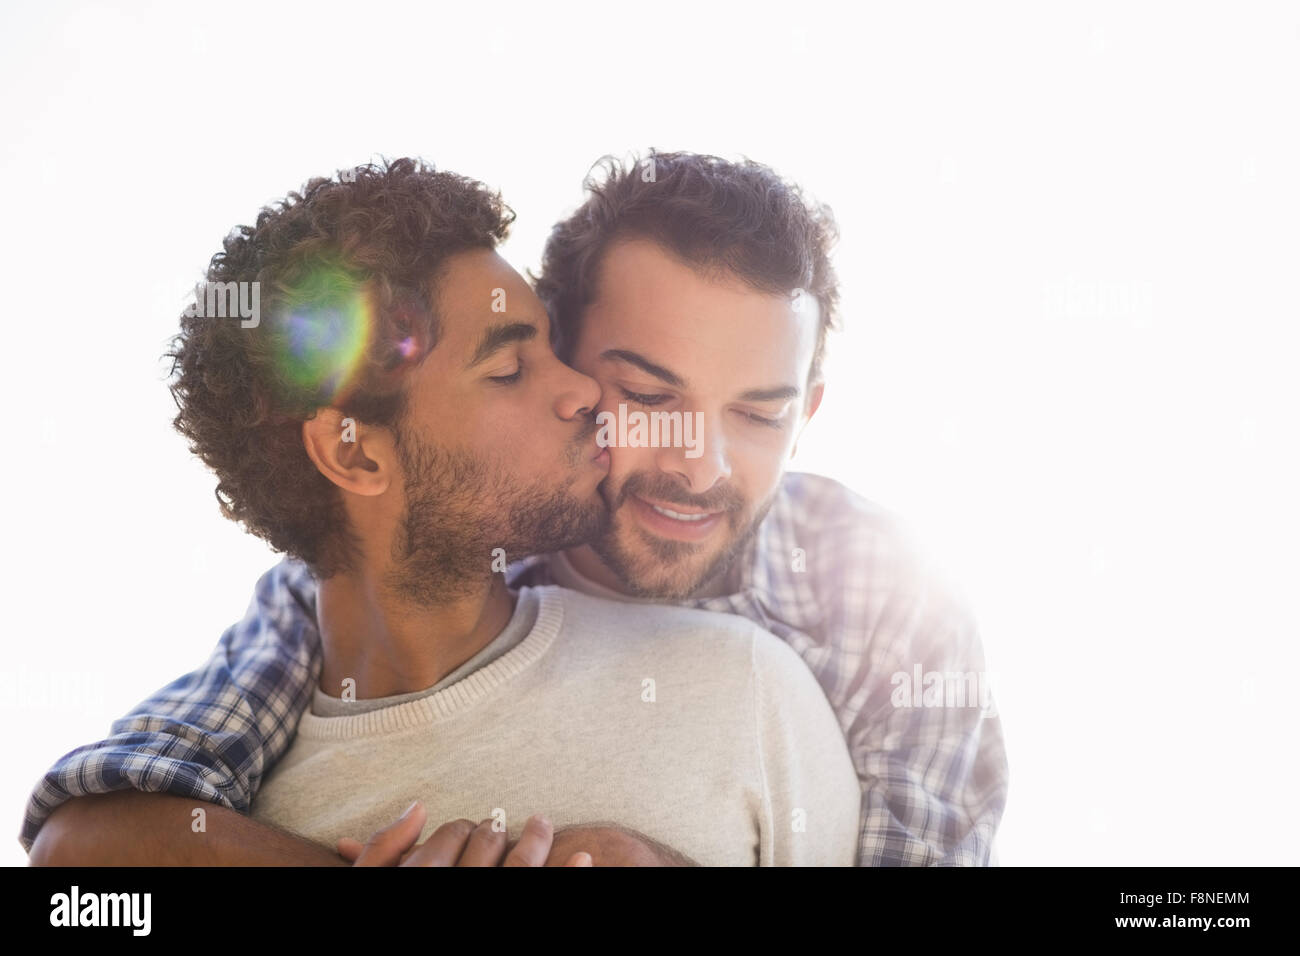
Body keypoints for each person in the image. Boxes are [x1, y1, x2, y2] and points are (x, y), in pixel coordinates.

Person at [25, 151, 1007, 867]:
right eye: (649, 395)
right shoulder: (337, 602)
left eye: (758, 413)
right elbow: (90, 844)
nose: (698, 464)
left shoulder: (874, 598)